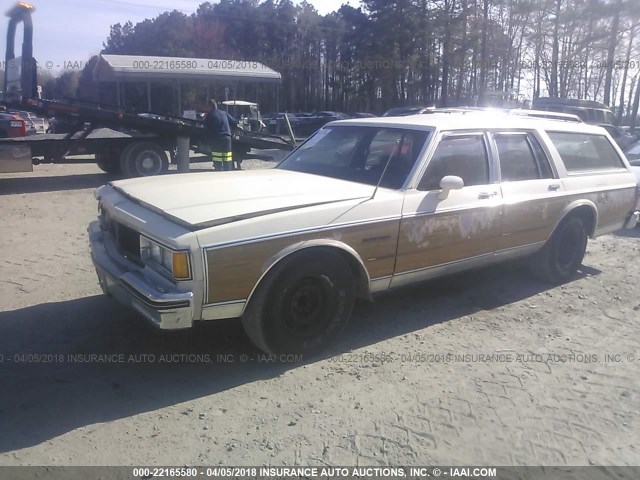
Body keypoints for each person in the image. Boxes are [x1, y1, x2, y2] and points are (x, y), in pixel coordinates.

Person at [204, 99, 235, 171]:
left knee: (217, 159)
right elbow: (234, 122)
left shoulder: (209, 115)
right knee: (227, 159)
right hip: (227, 138)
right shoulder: (224, 113)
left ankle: (218, 171)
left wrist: (207, 139)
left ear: (210, 106)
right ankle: (227, 173)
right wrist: (233, 133)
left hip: (217, 139)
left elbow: (206, 128)